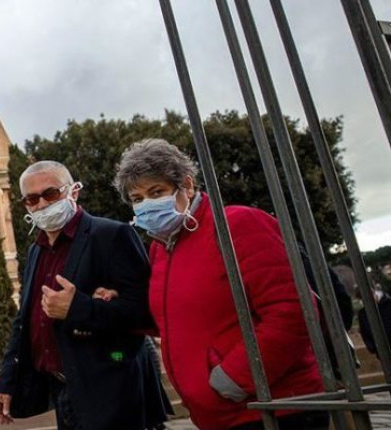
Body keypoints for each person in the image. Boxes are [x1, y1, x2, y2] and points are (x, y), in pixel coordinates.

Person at [113, 139, 326, 430]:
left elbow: (292, 311)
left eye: (156, 192)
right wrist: (113, 303)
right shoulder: (161, 249)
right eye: (137, 198)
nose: (146, 204)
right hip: (216, 417)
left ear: (186, 185)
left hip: (270, 409)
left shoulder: (237, 225)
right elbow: (175, 319)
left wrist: (234, 379)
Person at [0, 160, 170, 430]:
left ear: (73, 192)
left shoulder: (111, 235)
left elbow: (147, 312)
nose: (41, 204)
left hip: (114, 391)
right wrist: (6, 382)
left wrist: (79, 308)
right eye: (31, 199)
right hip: (65, 391)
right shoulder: (35, 251)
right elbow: (24, 321)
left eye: (51, 194)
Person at [357, 287, 391, 357]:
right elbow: (364, 332)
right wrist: (374, 348)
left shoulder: (389, 304)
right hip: (383, 352)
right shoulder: (363, 314)